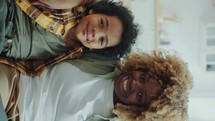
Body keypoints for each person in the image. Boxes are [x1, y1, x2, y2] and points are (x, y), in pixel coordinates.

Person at [0, 50, 193, 121]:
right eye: (143, 77)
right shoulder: (104, 58)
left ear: (140, 111)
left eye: (140, 96)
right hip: (14, 84)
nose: (133, 83)